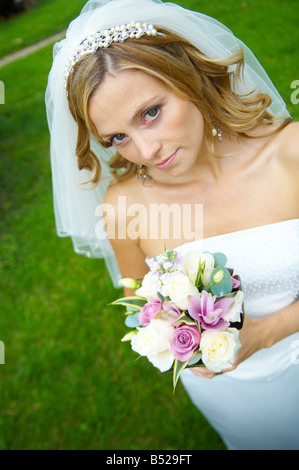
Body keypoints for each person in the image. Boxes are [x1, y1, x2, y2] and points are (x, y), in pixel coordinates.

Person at [45, 0, 299, 450]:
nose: (145, 150)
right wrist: (173, 333)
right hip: (231, 394)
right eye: (116, 138)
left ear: (190, 77)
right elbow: (135, 294)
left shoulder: (290, 156)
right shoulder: (124, 206)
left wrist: (268, 333)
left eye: (151, 112)